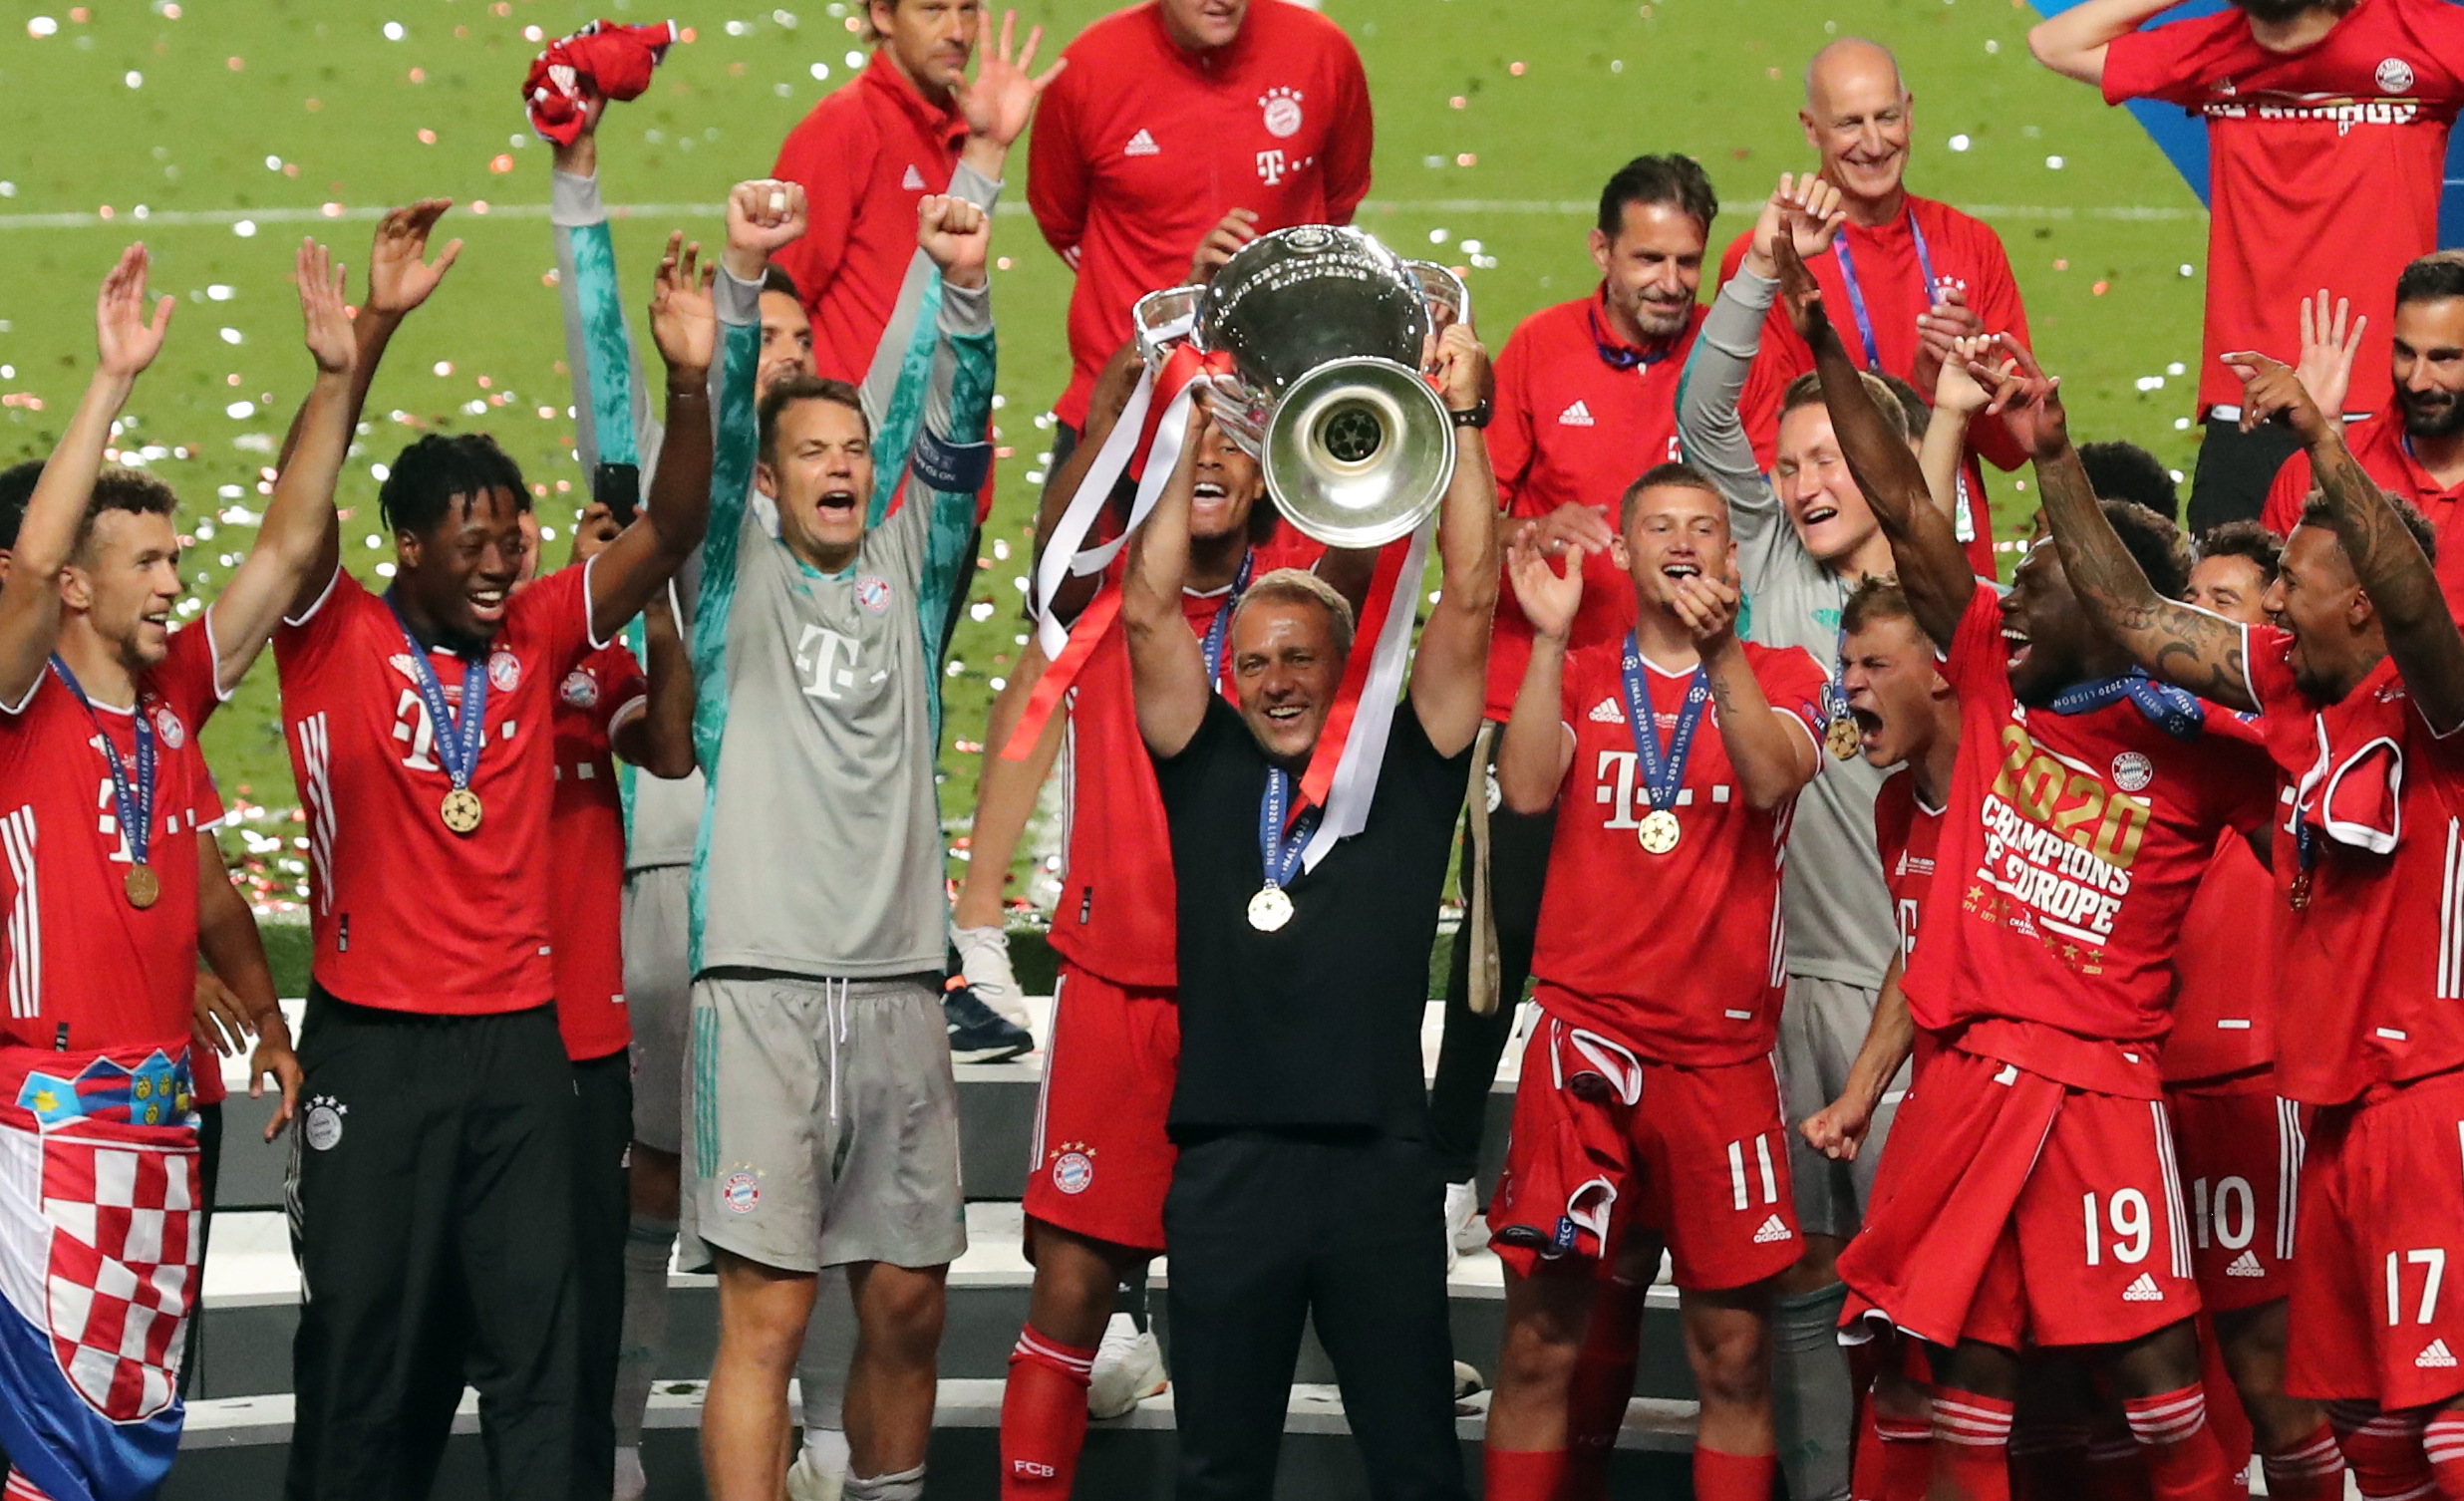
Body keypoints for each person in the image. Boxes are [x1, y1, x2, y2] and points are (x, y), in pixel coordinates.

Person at [1773, 226, 2276, 1501]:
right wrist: (1820, 323)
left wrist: (2056, 467)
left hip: (2103, 1092)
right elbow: (1901, 505)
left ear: (2104, 609)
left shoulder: (2199, 748)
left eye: (2040, 583)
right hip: (1970, 1083)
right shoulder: (1996, 687)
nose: (2010, 595)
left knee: (2167, 1395)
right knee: (1966, 1394)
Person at [276, 188, 726, 1499]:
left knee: (542, 1362)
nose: (498, 559)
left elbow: (674, 531)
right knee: (365, 1355)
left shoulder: (540, 633)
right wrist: (363, 339)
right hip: (374, 1043)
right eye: (468, 542)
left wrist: (689, 385)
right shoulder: (333, 635)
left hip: (524, 1055)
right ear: (404, 547)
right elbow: (299, 515)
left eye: (511, 535)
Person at [2029, 347, 2464, 1501]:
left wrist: (2326, 440)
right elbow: (2129, 610)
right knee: (2367, 1426)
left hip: (2432, 1103)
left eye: (2297, 587)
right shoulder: (2287, 693)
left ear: (2361, 600)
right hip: (2327, 1115)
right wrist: (2052, 454)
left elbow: (2420, 604)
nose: (2273, 604)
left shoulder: (2440, 712)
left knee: (2452, 1421)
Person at [547, 101, 894, 1501]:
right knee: (649, 1173)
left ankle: (818, 1436)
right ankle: (625, 1434)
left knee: (810, 1184)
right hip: (675, 878)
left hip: (813, 895)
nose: (788, 368)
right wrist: (578, 191)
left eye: (809, 354)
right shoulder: (669, 504)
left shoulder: (845, 531)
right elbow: (603, 379)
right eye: (774, 349)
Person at [0, 237, 349, 1501]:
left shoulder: (169, 708)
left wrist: (337, 378)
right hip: (50, 1127)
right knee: (55, 1449)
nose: (173, 582)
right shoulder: (19, 705)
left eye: (173, 558)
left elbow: (287, 548)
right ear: (78, 586)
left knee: (132, 1442)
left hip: (163, 1120)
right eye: (146, 562)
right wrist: (108, 382)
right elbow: (29, 567)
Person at [1123, 323, 1496, 1501]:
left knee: (1416, 1468)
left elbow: (1474, 595)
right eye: (1256, 664)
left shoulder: (1406, 770)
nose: (1277, 679)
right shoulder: (1208, 767)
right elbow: (1143, 616)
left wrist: (1465, 421)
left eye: (1301, 658)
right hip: (1228, 1169)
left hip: (1379, 1173)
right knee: (1219, 1472)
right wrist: (1190, 432)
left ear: (1344, 669)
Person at [680, 191, 995, 1501]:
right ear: (772, 475)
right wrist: (745, 281)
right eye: (810, 449)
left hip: (898, 991)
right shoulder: (732, 582)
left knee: (911, 1304)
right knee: (767, 1315)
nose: (839, 467)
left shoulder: (910, 579)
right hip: (759, 994)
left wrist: (964, 293)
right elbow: (693, 494)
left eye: (852, 449)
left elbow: (959, 436)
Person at [1479, 459, 1830, 1501]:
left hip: (1719, 1063)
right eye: (1661, 526)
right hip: (1584, 1039)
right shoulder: (1584, 670)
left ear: (1732, 554)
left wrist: (1723, 657)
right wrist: (1545, 637)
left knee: (1731, 1355)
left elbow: (1770, 777)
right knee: (1543, 1342)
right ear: (1623, 552)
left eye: (1706, 527)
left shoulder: (1784, 673)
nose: (1685, 541)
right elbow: (1528, 790)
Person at [1685, 169, 1954, 1501]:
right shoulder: (1774, 566)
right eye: (1786, 465)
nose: (1799, 484)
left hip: (1907, 988)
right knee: (1792, 1273)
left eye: (1826, 458)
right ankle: (1818, 1485)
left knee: (1909, 1281)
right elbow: (1696, 411)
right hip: (1775, 988)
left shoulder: (1928, 583)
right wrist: (1761, 272)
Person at [997, 404, 1322, 1497]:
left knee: (1242, 1308)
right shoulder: (1100, 596)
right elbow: (1055, 540)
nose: (1213, 457)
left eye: (1239, 438)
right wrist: (1137, 382)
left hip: (1256, 1001)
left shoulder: (1300, 600)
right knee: (1072, 1290)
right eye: (1192, 437)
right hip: (1116, 990)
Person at [1424, 150, 1720, 1267]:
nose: (1670, 280)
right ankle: (1452, 1167)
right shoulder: (1540, 352)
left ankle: (1661, 1178)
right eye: (1648, 256)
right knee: (1501, 949)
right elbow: (1469, 526)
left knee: (1673, 956)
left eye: (1687, 260)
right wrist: (1533, 536)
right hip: (1541, 708)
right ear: (1601, 250)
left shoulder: (1720, 358)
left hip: (1678, 714)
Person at [2028, 0, 2464, 530]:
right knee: (2229, 601)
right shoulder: (2217, 46)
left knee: (2381, 605)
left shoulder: (2421, 34)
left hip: (2384, 410)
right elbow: (2055, 43)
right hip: (2247, 411)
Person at [2157, 521, 2350, 1501]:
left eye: (2224, 608)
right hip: (2141, 1095)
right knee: (2156, 1382)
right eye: (2190, 604)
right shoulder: (2152, 738)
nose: (2199, 625)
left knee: (2268, 1367)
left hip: (2246, 1088)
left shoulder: (2287, 750)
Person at [1716, 38, 2024, 574]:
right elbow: (1762, 446)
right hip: (1823, 570)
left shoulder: (1972, 245)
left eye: (1886, 117)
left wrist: (1968, 381)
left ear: (1909, 112)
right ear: (1811, 128)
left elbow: (2013, 447)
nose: (1875, 143)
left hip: (1950, 559)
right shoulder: (1768, 262)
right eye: (1849, 123)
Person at [1028, 0, 1374, 450]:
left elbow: (1339, 200)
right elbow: (1062, 220)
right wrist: (1169, 302)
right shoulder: (1087, 71)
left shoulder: (1322, 52)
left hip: (1279, 399)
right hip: (1123, 397)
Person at [1801, 577, 1960, 1501]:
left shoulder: (2007, 792)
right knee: (1904, 1373)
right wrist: (1860, 1095)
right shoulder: (1896, 806)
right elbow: (1919, 956)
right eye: (1846, 665)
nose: (1851, 686)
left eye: (1876, 666)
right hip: (1940, 1119)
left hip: (2032, 1127)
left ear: (1943, 677)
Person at [772, 3, 1058, 384]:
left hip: (945, 425)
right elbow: (777, 304)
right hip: (857, 433)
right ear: (883, 15)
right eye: (933, 9)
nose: (957, 31)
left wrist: (988, 148)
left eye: (968, 9)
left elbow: (948, 286)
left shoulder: (962, 128)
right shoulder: (841, 130)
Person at [2264, 264, 2464, 609]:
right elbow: (2274, 617)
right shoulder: (2309, 469)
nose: (2417, 381)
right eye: (2405, 353)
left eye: (2442, 358)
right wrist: (2324, 444)